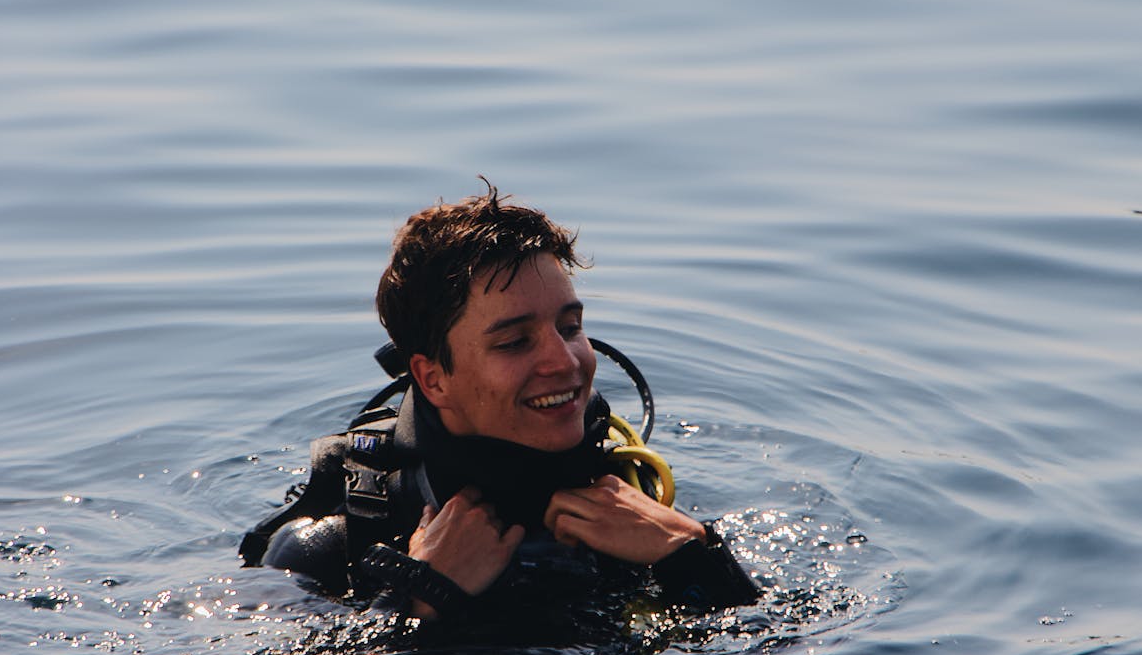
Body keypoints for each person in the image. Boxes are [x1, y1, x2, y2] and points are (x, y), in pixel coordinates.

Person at [240, 182, 759, 625]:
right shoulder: (331, 548)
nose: (566, 361)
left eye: (571, 327)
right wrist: (423, 595)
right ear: (433, 378)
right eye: (514, 342)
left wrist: (693, 554)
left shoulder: (637, 508)